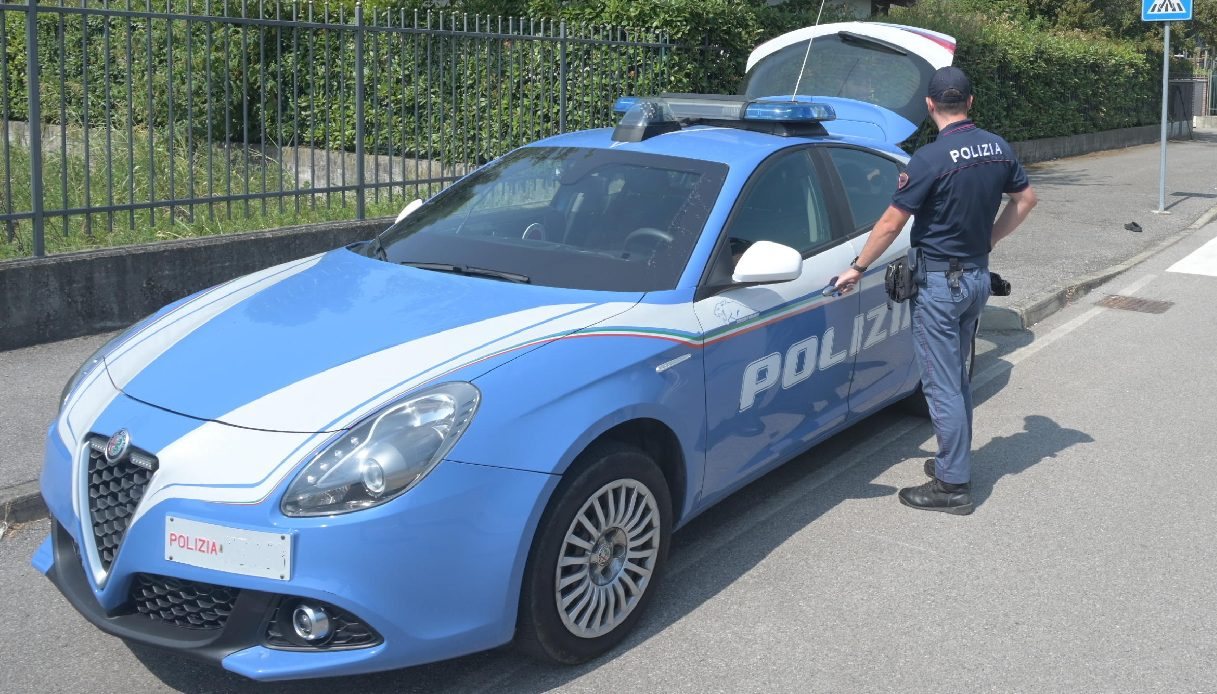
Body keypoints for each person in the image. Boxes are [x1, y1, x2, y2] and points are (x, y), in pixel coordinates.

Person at [832, 66, 1038, 515]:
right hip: (977, 280)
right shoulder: (998, 148)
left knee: (941, 384)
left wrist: (857, 267)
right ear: (970, 102)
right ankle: (954, 461)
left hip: (941, 286)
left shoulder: (929, 159)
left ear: (929, 105)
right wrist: (992, 239)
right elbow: (1026, 200)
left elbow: (891, 223)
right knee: (956, 379)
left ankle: (952, 486)